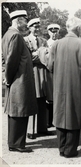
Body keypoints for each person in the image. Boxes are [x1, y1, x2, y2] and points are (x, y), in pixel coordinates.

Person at [48, 16, 81, 158]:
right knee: (74, 116)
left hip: (59, 87)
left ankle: (62, 149)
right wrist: (80, 78)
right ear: (78, 28)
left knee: (61, 115)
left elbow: (50, 66)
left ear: (67, 27)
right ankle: (70, 150)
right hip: (76, 87)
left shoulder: (56, 44)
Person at [2, 10, 38, 152]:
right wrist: (9, 78)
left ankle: (13, 142)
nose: (26, 25)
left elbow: (6, 59)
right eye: (24, 21)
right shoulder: (16, 36)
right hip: (19, 80)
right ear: (18, 21)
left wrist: (7, 77)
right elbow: (11, 61)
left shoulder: (7, 34)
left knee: (15, 112)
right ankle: (17, 144)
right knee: (20, 112)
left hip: (15, 79)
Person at [24, 18, 54, 139]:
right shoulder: (25, 40)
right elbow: (28, 58)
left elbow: (49, 57)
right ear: (29, 28)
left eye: (38, 27)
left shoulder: (43, 41)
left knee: (43, 100)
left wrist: (38, 54)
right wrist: (41, 55)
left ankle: (42, 128)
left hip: (43, 73)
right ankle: (31, 130)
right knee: (33, 100)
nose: (36, 29)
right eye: (34, 27)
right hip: (32, 73)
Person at [46, 23, 60, 128]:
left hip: (59, 72)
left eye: (56, 31)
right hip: (49, 72)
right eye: (52, 31)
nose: (54, 34)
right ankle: (48, 120)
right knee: (50, 96)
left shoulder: (61, 43)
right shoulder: (46, 43)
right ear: (48, 32)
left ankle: (57, 119)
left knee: (58, 95)